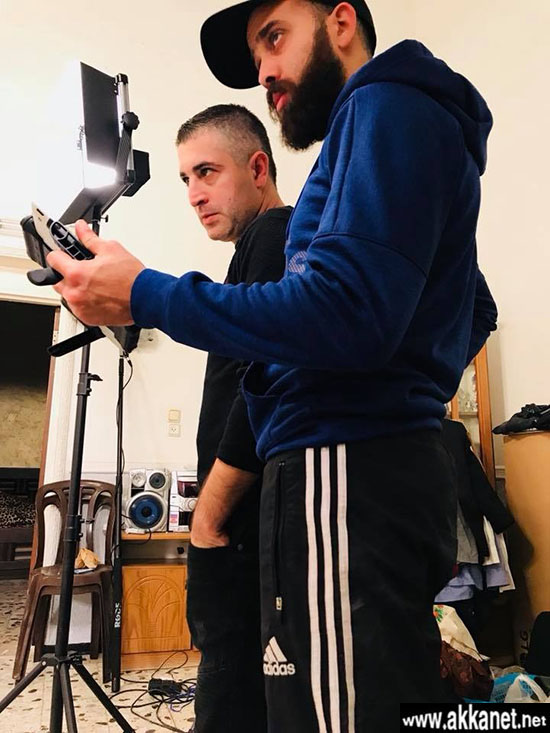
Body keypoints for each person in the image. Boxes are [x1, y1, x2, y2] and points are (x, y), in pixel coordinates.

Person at [47, 1, 498, 729]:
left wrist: (146, 293)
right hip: (369, 470)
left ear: (341, 23)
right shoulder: (390, 127)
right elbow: (473, 304)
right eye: (256, 55)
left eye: (275, 38)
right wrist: (407, 389)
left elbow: (345, 312)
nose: (263, 72)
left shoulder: (383, 105)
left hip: (343, 469)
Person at [176, 104, 290, 733]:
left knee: (229, 702)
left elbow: (263, 383)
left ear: (257, 167)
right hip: (241, 525)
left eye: (206, 172)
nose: (194, 195)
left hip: (242, 528)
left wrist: (210, 517)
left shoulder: (274, 235)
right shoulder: (255, 247)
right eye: (186, 180)